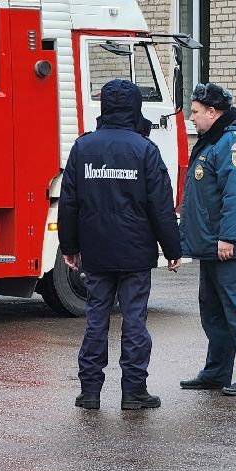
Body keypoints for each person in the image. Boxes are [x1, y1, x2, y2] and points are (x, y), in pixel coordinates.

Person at [57, 79, 182, 412]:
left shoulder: (83, 147)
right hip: (135, 252)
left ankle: (90, 392)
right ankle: (134, 392)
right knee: (134, 320)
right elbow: (161, 205)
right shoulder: (145, 149)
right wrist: (172, 249)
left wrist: (69, 246)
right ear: (135, 108)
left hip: (96, 250)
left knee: (96, 319)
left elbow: (69, 203)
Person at [178, 82, 236, 397]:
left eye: (195, 112)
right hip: (212, 247)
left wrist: (228, 237)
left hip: (231, 248)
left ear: (212, 112)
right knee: (214, 313)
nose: (191, 118)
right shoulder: (214, 141)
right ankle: (217, 372)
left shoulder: (234, 143)